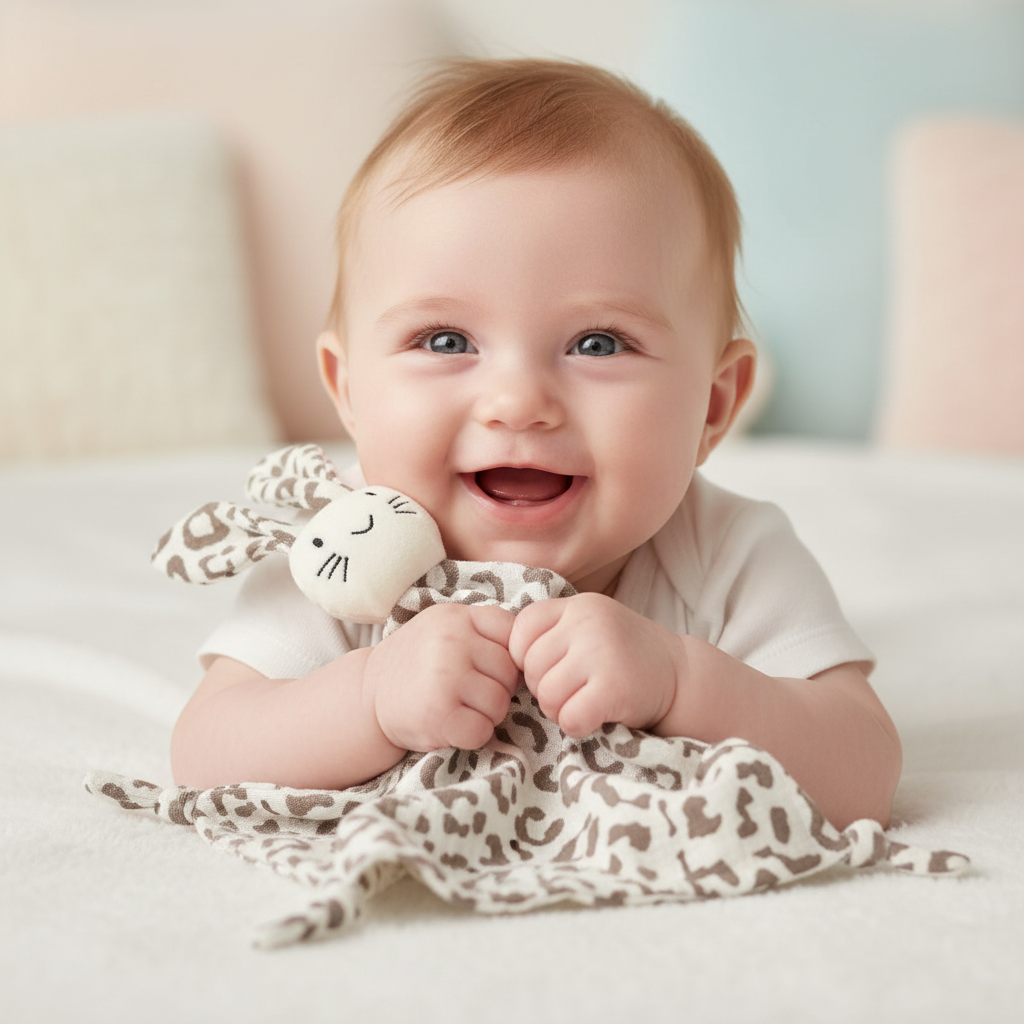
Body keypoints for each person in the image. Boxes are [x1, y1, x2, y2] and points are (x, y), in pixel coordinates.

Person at [171, 59, 901, 830]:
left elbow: (864, 771)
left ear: (714, 406)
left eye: (598, 344)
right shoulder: (349, 549)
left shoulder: (726, 552)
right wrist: (369, 699)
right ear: (347, 388)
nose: (519, 401)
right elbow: (207, 752)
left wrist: (683, 681)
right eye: (446, 338)